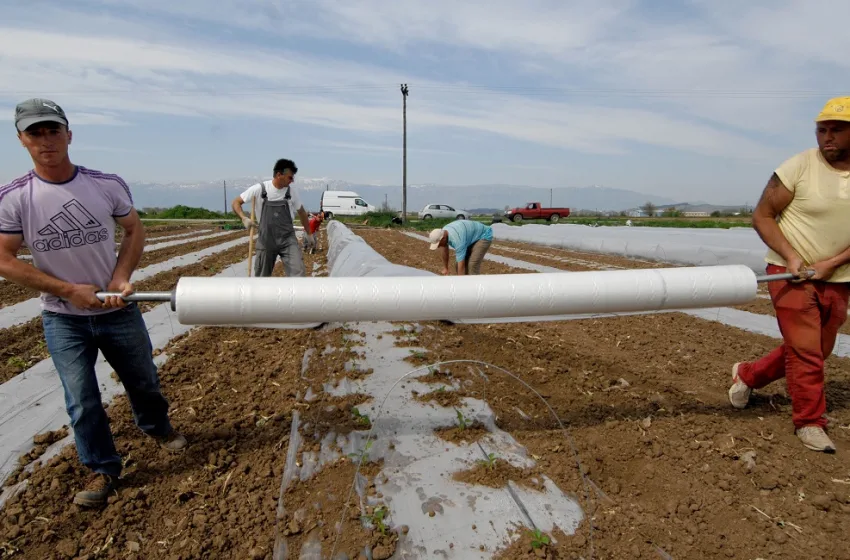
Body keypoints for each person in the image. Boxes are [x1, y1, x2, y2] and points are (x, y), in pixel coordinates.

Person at [0, 98, 187, 507]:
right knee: (82, 399)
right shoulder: (14, 197)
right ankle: (104, 468)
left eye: (53, 130)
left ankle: (157, 427)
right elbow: (4, 260)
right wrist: (68, 290)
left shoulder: (105, 184)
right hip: (63, 318)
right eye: (35, 133)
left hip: (117, 310)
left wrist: (121, 277)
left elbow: (134, 231)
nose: (46, 140)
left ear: (69, 134)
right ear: (21, 140)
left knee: (143, 381)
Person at [729, 96, 850, 453]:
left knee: (818, 348)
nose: (827, 137)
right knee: (806, 352)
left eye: (837, 130)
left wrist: (834, 262)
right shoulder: (798, 168)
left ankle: (748, 375)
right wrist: (792, 256)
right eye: (821, 130)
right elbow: (762, 216)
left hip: (838, 275)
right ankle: (810, 422)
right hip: (789, 273)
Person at [231, 159, 313, 277]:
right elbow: (236, 202)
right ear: (279, 175)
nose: (292, 181)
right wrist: (244, 218)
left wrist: (309, 234)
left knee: (298, 273)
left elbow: (302, 212)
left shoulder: (291, 192)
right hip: (266, 240)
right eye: (290, 177)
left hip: (287, 240)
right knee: (261, 277)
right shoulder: (260, 189)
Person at [429, 219, 493, 275]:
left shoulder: (457, 239)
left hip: (483, 235)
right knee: (458, 266)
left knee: (472, 265)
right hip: (469, 236)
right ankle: (467, 285)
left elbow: (461, 264)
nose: (438, 246)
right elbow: (444, 249)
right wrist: (446, 268)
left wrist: (460, 283)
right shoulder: (444, 233)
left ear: (443, 238)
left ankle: (474, 286)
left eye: (438, 244)